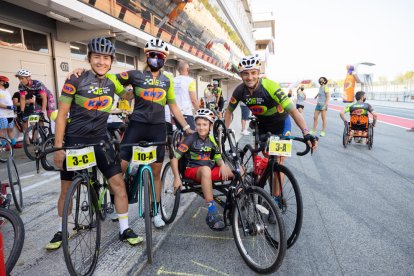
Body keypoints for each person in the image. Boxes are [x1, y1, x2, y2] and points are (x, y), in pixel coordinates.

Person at [48, 37, 140, 250]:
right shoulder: (75, 80)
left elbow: (128, 95)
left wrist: (137, 84)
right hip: (74, 140)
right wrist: (59, 148)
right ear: (89, 58)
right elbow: (61, 115)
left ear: (111, 61)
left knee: (118, 184)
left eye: (106, 58)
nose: (101, 62)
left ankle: (124, 228)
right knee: (65, 190)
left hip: (100, 140)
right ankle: (63, 231)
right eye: (97, 57)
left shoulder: (113, 82)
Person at [114, 38, 192, 228]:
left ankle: (155, 211)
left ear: (164, 59)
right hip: (136, 126)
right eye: (152, 55)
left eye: (159, 56)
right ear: (147, 56)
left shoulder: (167, 81)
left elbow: (173, 105)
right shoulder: (135, 75)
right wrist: (124, 94)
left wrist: (187, 127)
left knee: (156, 173)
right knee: (119, 170)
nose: (156, 59)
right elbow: (110, 79)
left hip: (157, 128)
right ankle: (118, 205)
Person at [224, 55, 317, 205]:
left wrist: (306, 132)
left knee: (278, 163)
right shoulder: (239, 91)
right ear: (241, 75)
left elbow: (293, 111)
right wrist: (224, 131)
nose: (250, 77)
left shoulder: (271, 86)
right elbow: (228, 111)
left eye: (253, 73)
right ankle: (263, 173)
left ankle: (275, 197)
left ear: (258, 72)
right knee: (269, 159)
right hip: (263, 125)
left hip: (281, 123)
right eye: (246, 74)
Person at [171, 108, 233, 230]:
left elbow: (217, 156)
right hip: (193, 170)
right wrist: (177, 178)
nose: (201, 127)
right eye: (198, 124)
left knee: (239, 170)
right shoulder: (190, 139)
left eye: (204, 124)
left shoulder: (211, 140)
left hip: (208, 171)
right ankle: (211, 211)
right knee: (205, 169)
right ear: (195, 125)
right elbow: (174, 158)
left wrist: (222, 165)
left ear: (210, 125)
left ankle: (236, 204)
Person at [173, 60, 198, 130]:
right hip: (186, 113)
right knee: (190, 136)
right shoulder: (190, 81)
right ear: (187, 69)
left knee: (179, 136)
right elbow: (193, 100)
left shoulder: (172, 80)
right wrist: (199, 112)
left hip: (175, 114)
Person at [0, 76, 17, 148]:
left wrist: (13, 108)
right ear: (1, 82)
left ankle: (13, 144)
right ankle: (4, 144)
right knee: (3, 129)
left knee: (11, 129)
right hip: (2, 114)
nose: (7, 83)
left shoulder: (6, 91)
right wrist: (8, 107)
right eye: (5, 81)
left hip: (10, 114)